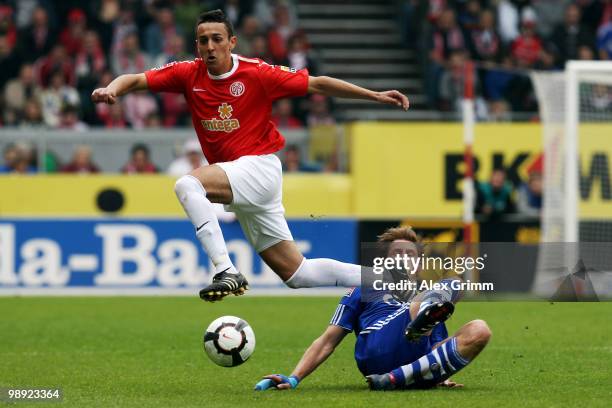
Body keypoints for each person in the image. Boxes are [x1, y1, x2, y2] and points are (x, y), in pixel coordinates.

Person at [91, 9, 409, 302]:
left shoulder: (257, 73)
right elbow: (136, 79)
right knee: (298, 274)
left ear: (232, 42)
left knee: (188, 185)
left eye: (217, 39)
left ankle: (224, 269)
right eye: (203, 41)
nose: (210, 46)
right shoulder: (188, 73)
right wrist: (112, 88)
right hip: (239, 176)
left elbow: (318, 84)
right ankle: (390, 279)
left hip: (259, 166)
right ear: (197, 45)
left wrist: (374, 95)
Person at [254, 227, 491, 391]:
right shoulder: (364, 288)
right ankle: (406, 367)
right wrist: (294, 378)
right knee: (449, 287)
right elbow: (327, 340)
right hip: (377, 348)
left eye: (410, 254)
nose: (404, 258)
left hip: (410, 359)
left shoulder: (429, 298)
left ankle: (394, 379)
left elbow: (436, 345)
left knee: (480, 330)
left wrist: (445, 373)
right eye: (397, 253)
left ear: (418, 264)